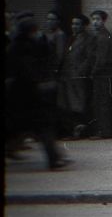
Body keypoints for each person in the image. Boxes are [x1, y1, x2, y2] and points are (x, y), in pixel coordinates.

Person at [6, 18, 69, 168]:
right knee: (41, 127)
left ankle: (53, 158)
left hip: (23, 97)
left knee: (25, 127)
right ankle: (53, 159)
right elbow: (27, 71)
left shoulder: (18, 46)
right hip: (27, 96)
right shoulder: (21, 48)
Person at [58, 14, 92, 138]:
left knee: (79, 104)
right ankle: (73, 130)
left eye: (77, 24)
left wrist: (80, 71)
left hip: (78, 77)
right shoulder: (71, 38)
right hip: (68, 76)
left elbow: (89, 58)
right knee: (69, 104)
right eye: (73, 24)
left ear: (83, 26)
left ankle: (81, 131)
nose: (74, 26)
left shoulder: (87, 39)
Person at [89, 10, 112, 139]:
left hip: (102, 74)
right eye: (93, 19)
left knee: (102, 102)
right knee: (102, 102)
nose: (95, 22)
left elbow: (101, 59)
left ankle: (104, 131)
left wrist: (93, 72)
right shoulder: (101, 35)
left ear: (103, 21)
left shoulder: (103, 37)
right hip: (103, 73)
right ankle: (105, 130)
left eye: (98, 19)